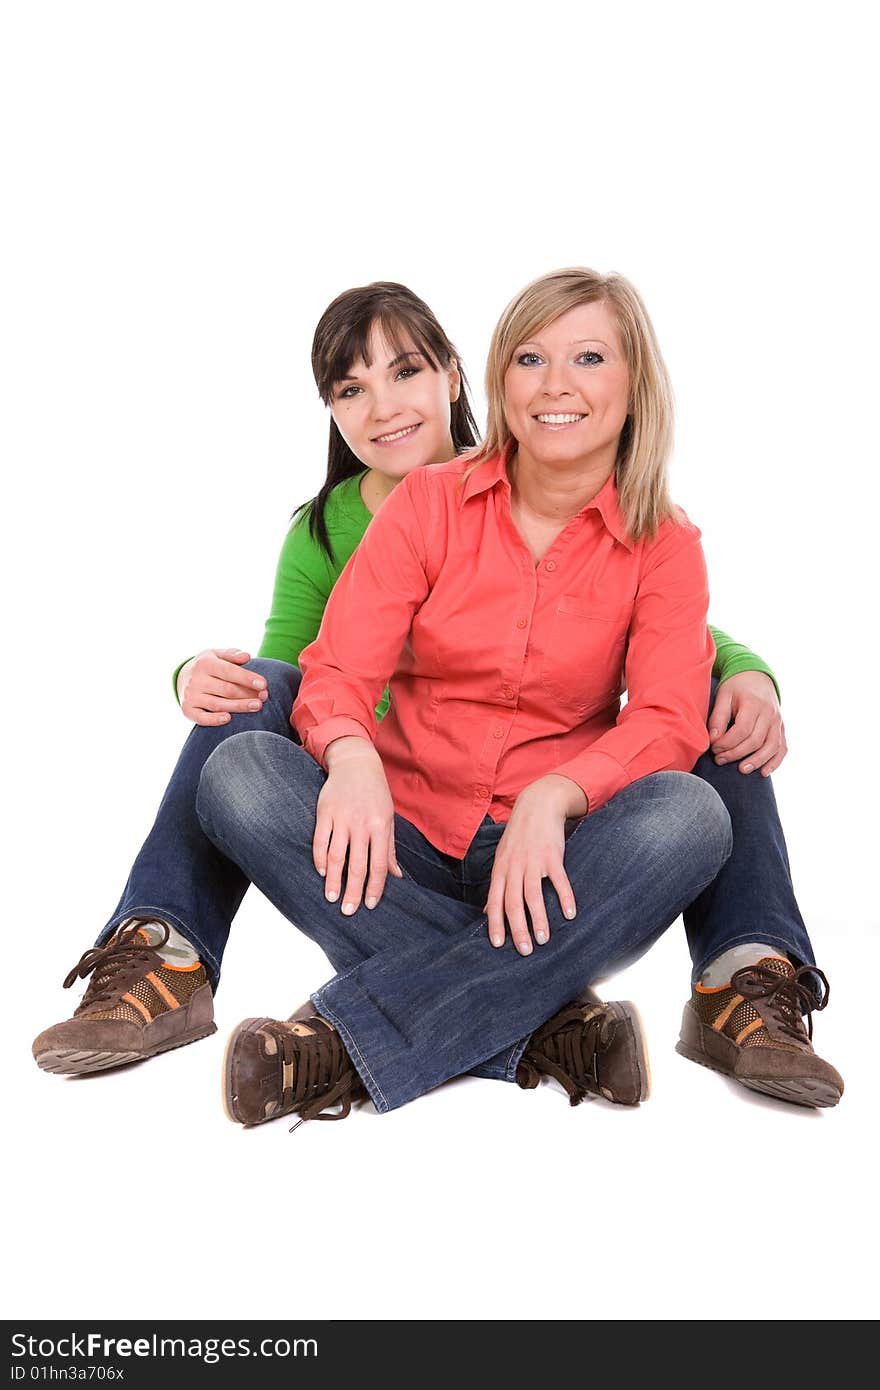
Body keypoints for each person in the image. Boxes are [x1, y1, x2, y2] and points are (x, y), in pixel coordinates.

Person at [32, 277, 840, 1114]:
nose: (556, 382)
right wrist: (346, 756)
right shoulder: (409, 509)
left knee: (692, 811)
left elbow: (673, 696)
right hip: (389, 841)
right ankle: (540, 1021)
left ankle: (339, 1045)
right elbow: (320, 673)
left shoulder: (664, 543)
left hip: (551, 863)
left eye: (588, 359)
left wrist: (560, 794)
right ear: (499, 378)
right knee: (239, 767)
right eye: (531, 358)